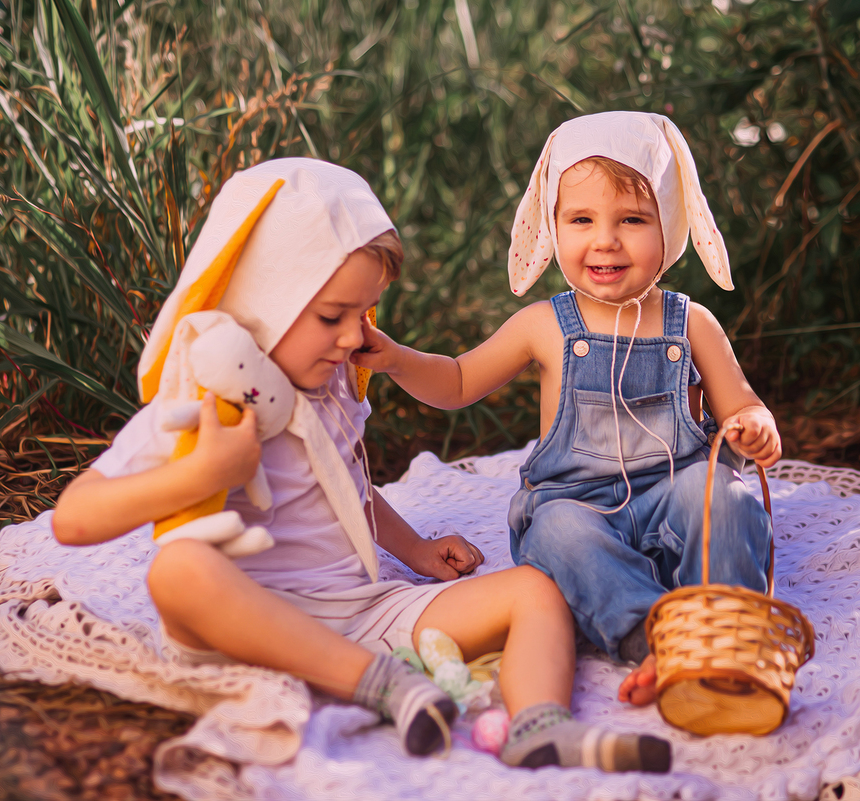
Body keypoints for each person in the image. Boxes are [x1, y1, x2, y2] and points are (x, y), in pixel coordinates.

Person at [51, 158, 671, 772]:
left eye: (364, 313)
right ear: (266, 298)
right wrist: (201, 474)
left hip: (364, 610)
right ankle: (383, 686)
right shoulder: (208, 398)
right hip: (250, 616)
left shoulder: (334, 385)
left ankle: (539, 724)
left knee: (536, 589)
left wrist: (417, 551)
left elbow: (344, 486)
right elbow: (73, 521)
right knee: (179, 570)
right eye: (332, 317)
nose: (354, 337)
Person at [352, 112, 781, 709]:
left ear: (671, 225)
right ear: (553, 227)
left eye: (632, 219)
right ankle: (653, 637)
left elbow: (742, 405)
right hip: (580, 510)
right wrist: (396, 358)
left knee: (724, 497)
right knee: (557, 531)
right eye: (581, 220)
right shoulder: (545, 326)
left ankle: (726, 626)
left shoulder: (692, 323)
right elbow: (456, 380)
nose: (605, 240)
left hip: (676, 503)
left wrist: (755, 427)